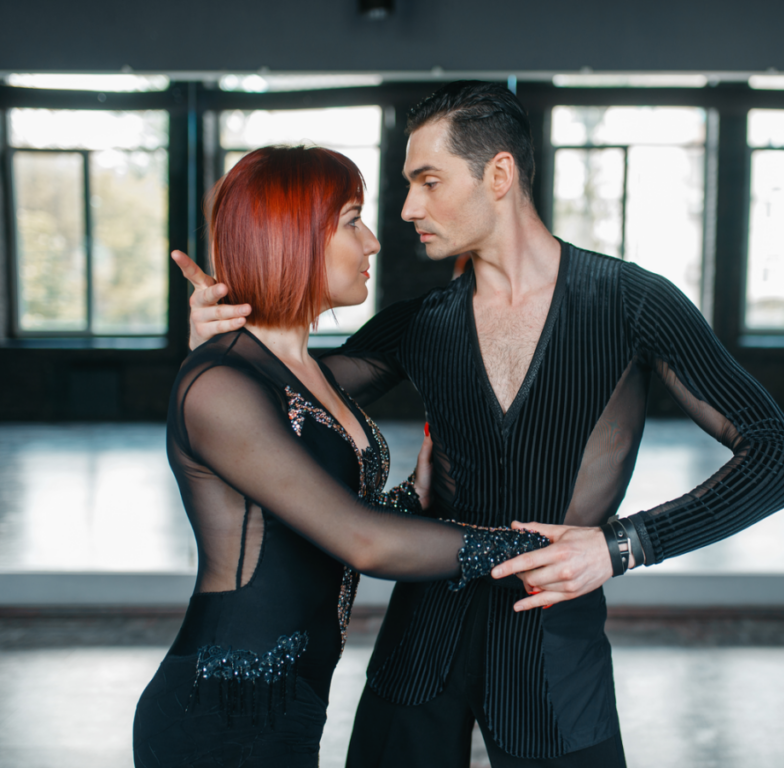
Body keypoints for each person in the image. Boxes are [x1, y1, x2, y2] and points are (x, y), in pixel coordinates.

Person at [176, 81, 784, 768]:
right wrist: (221, 342)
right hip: (418, 656)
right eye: (407, 184)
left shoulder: (634, 304)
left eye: (429, 181)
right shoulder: (418, 324)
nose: (408, 208)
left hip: (556, 662)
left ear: (499, 175)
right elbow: (274, 396)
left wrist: (622, 547)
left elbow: (779, 457)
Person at [134, 145, 549, 768]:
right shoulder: (218, 382)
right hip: (223, 710)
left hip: (292, 705)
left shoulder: (305, 372)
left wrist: (412, 494)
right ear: (292, 236)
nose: (374, 241)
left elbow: (320, 520)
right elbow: (364, 542)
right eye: (353, 220)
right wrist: (538, 549)